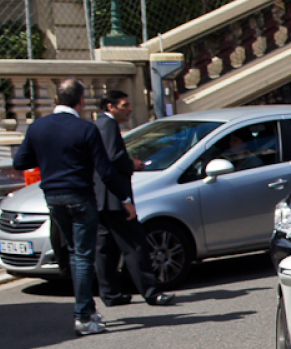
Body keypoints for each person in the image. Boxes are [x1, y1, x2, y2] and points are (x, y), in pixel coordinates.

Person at [13, 79, 132, 335]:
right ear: (80, 102)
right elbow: (106, 170)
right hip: (80, 196)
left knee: (75, 253)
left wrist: (46, 155)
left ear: (56, 99)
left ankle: (87, 310)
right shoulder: (85, 129)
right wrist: (125, 199)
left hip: (53, 198)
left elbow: (20, 161)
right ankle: (83, 316)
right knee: (83, 256)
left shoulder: (38, 127)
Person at [93, 90, 174, 307]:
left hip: (100, 197)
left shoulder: (98, 125)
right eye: (124, 105)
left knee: (106, 247)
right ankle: (151, 292)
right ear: (110, 107)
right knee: (135, 243)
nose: (129, 109)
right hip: (114, 195)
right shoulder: (108, 125)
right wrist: (132, 164)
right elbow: (113, 157)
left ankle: (110, 293)